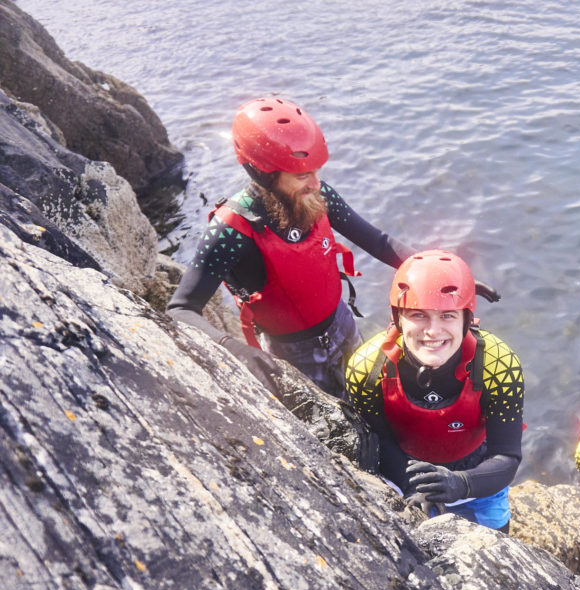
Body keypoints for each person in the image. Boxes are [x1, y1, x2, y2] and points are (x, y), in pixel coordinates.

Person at [167, 97, 499, 397]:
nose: (315, 184)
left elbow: (378, 241)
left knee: (374, 396)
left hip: (342, 324)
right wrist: (237, 350)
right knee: (335, 425)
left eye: (316, 173)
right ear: (264, 174)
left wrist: (442, 276)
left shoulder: (318, 196)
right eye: (301, 177)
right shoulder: (231, 231)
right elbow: (180, 308)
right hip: (290, 353)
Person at [345, 250, 524, 532]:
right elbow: (381, 441)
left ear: (466, 319)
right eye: (418, 315)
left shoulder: (497, 365)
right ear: (398, 318)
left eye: (447, 315)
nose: (433, 330)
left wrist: (462, 483)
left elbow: (507, 457)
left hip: (479, 476)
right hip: (411, 476)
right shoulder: (368, 369)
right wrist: (412, 485)